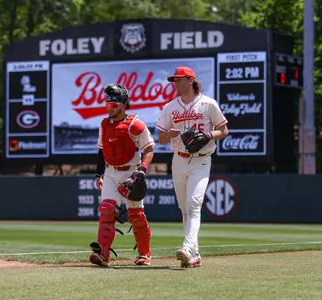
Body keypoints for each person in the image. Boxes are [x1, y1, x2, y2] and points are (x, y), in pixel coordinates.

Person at [156, 67, 229, 268]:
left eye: (178, 80)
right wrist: (169, 134)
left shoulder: (208, 104)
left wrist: (208, 135)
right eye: (174, 80)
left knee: (193, 204)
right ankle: (195, 255)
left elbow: (224, 130)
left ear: (190, 80)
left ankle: (187, 248)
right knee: (184, 210)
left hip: (201, 160)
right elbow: (161, 138)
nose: (175, 83)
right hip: (178, 159)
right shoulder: (170, 107)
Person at [89, 83, 155, 267]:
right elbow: (101, 150)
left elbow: (149, 148)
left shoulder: (135, 125)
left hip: (130, 172)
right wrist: (98, 174)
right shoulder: (104, 124)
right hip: (110, 172)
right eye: (107, 104)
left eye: (113, 104)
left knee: (135, 214)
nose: (109, 108)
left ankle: (145, 254)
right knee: (107, 210)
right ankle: (102, 254)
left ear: (123, 104)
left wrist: (142, 169)